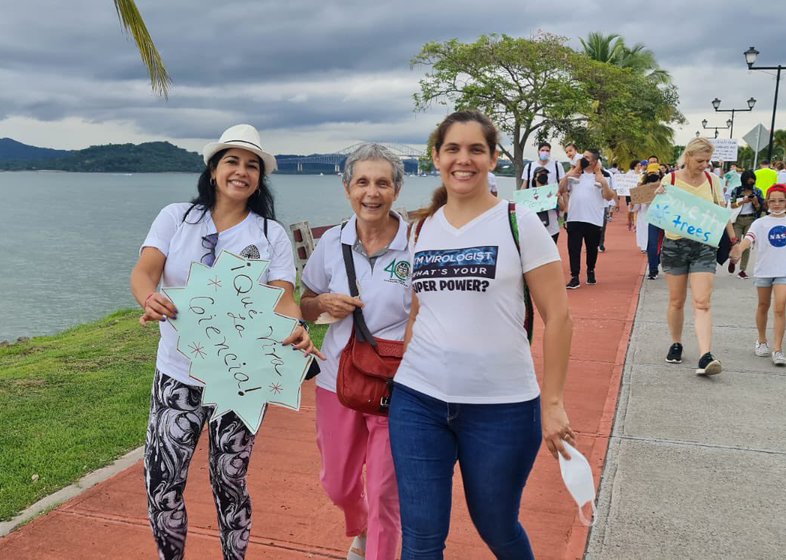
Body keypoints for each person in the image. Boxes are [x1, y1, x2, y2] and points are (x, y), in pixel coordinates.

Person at [132, 124, 323, 560]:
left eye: (252, 165)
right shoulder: (176, 217)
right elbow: (145, 271)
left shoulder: (269, 234)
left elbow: (284, 297)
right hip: (177, 376)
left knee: (230, 481)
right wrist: (149, 297)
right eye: (232, 161)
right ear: (214, 169)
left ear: (260, 178)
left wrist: (295, 328)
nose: (242, 171)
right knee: (163, 484)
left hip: (241, 379)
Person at [391, 110, 574, 559]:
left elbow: (559, 317)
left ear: (494, 159)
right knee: (420, 537)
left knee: (496, 525)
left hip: (503, 408)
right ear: (436, 157)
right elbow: (419, 309)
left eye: (476, 150)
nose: (463, 159)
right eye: (452, 148)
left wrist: (552, 404)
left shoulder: (519, 221)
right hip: (418, 400)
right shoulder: (421, 228)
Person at [299, 144, 410, 560]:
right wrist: (323, 303)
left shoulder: (415, 244)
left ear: (396, 190)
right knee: (338, 484)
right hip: (337, 382)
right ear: (347, 188)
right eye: (362, 182)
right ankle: (359, 526)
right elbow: (304, 303)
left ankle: (378, 549)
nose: (372, 192)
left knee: (385, 491)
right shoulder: (332, 243)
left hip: (396, 386)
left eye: (383, 183)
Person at [659, 137, 734, 376]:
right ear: (688, 157)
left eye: (708, 161)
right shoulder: (670, 179)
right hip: (674, 246)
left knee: (702, 302)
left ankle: (705, 355)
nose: (705, 165)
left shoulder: (713, 181)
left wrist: (734, 242)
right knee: (676, 301)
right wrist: (656, 195)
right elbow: (647, 204)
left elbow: (722, 213)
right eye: (700, 160)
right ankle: (676, 342)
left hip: (703, 246)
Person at [730, 185, 786, 367]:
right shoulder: (760, 223)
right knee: (763, 305)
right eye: (772, 200)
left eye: (781, 200)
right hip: (764, 270)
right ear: (767, 202)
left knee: (780, 307)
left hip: (785, 271)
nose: (777, 204)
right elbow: (748, 240)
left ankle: (778, 349)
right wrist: (738, 250)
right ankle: (762, 340)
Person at [562, 148, 615, 288]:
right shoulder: (576, 174)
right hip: (575, 217)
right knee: (573, 249)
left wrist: (603, 182)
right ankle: (575, 276)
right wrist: (570, 173)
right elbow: (561, 189)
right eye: (583, 156)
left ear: (595, 161)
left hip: (593, 219)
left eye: (587, 157)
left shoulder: (604, 176)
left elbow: (609, 197)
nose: (583, 159)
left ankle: (590, 270)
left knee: (592, 249)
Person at [520, 141, 567, 243]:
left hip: (552, 222)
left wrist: (558, 196)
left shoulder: (556, 166)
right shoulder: (529, 167)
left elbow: (563, 198)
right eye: (542, 150)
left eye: (547, 151)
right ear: (538, 152)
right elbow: (523, 187)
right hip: (533, 220)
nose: (545, 152)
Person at [728, 170, 766, 278]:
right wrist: (742, 202)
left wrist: (755, 202)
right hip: (738, 220)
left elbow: (760, 208)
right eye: (749, 182)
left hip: (751, 219)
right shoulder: (737, 190)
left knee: (746, 245)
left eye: (752, 182)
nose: (751, 184)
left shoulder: (757, 192)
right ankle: (733, 260)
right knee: (736, 243)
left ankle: (742, 270)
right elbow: (732, 205)